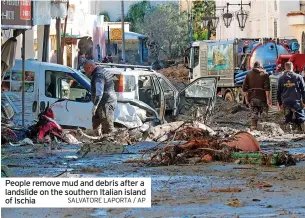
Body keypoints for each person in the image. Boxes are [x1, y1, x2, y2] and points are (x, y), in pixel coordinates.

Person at [83, 60, 117, 136]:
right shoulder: (100, 71)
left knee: (107, 126)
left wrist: (95, 105)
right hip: (104, 102)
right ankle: (98, 140)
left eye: (86, 70)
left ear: (90, 67)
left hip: (105, 103)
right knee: (95, 122)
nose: (86, 73)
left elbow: (99, 93)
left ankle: (111, 143)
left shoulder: (98, 75)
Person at [242, 61, 271, 130]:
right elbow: (267, 88)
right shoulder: (265, 74)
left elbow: (244, 89)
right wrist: (268, 99)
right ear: (261, 66)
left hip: (252, 98)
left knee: (254, 115)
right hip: (262, 98)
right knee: (263, 115)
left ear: (253, 66)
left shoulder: (249, 74)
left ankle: (254, 130)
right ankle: (264, 130)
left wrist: (246, 100)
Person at [277, 61, 305, 131]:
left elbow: (278, 92)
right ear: (292, 67)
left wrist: (280, 103)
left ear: (285, 68)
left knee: (288, 118)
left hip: (286, 102)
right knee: (301, 118)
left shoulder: (280, 78)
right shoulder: (299, 77)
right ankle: (303, 130)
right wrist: (304, 101)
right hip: (296, 102)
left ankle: (288, 133)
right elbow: (303, 90)